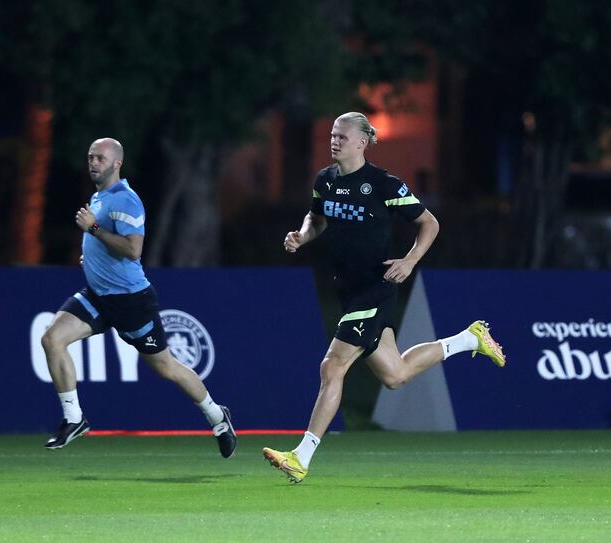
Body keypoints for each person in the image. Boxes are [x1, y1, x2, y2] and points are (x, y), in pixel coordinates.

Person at [262, 112, 505, 483]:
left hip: (374, 288)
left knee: (332, 367)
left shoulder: (382, 184)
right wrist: (301, 235)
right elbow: (317, 218)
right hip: (347, 290)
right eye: (332, 135)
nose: (335, 141)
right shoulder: (324, 181)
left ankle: (301, 457)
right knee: (396, 375)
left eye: (342, 137)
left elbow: (430, 223)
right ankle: (469, 338)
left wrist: (410, 261)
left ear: (362, 142)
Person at [40, 137, 237, 457]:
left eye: (100, 158)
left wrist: (92, 231)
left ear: (117, 163)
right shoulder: (100, 197)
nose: (93, 163)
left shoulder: (126, 200)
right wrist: (91, 257)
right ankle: (74, 419)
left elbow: (133, 249)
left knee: (166, 367)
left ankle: (217, 416)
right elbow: (107, 245)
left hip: (130, 300)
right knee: (52, 339)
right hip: (98, 295)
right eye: (90, 157)